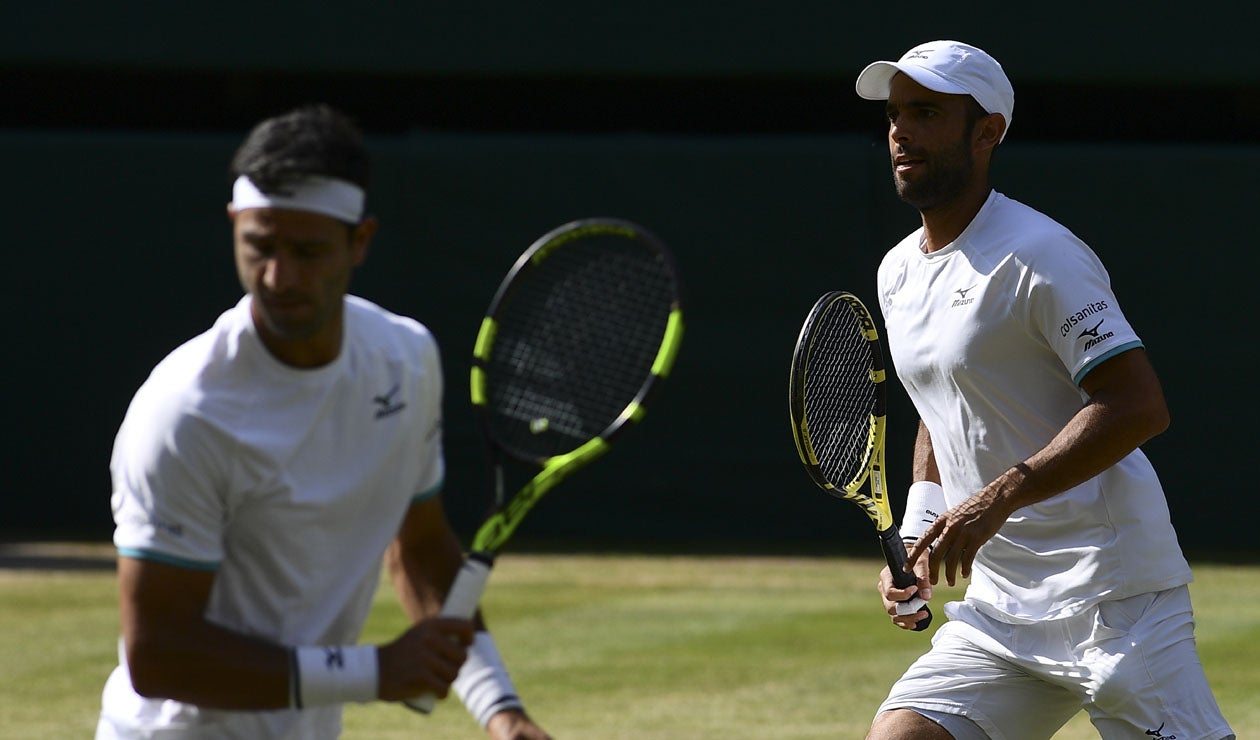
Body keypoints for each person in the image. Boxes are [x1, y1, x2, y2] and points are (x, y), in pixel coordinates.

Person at [96, 104, 551, 740]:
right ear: (234, 226)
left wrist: (501, 711)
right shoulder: (183, 413)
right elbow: (159, 654)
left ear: (359, 241)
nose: (279, 277)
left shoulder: (405, 360)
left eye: (308, 252)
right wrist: (372, 671)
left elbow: (418, 546)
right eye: (260, 246)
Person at [854, 41, 1234, 740]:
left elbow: (1137, 405)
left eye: (927, 112)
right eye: (895, 113)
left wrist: (996, 499)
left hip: (1113, 600)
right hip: (1000, 610)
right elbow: (944, 404)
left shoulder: (1042, 254)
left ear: (988, 131)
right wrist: (919, 527)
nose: (901, 130)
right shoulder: (897, 271)